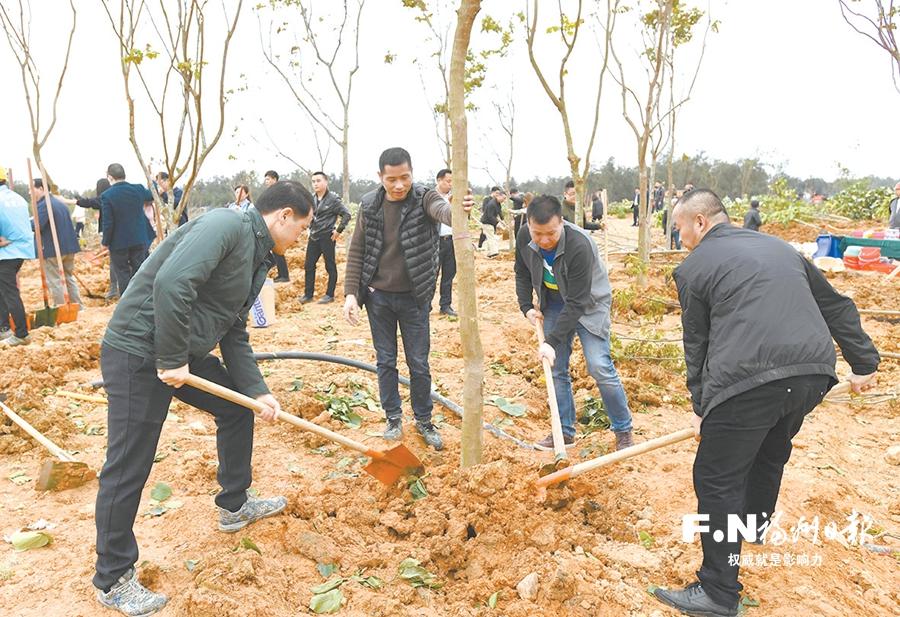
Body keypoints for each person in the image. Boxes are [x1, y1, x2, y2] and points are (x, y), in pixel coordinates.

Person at [651, 190, 879, 617]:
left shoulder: (694, 267)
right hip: (812, 373)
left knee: (716, 477)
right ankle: (753, 525)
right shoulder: (779, 247)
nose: (678, 237)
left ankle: (718, 591)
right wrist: (863, 361)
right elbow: (836, 305)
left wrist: (703, 407)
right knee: (771, 448)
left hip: (747, 381)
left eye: (679, 227)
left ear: (700, 222)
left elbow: (696, 344)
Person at [93, 180, 314, 617]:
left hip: (179, 352)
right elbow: (173, 284)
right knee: (129, 463)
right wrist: (172, 358)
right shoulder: (226, 227)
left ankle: (234, 505)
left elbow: (233, 329)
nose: (300, 237)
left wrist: (257, 391)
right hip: (139, 351)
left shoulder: (257, 255)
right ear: (283, 216)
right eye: (302, 228)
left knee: (237, 408)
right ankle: (113, 579)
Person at [342, 147, 472, 451]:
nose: (399, 185)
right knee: (385, 360)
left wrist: (459, 210)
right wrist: (351, 295)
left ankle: (424, 420)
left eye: (405, 178)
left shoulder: (424, 198)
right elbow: (357, 251)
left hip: (415, 297)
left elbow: (444, 212)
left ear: (412, 174)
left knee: (419, 362)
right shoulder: (370, 205)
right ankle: (393, 417)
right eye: (392, 179)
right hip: (378, 299)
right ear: (380, 177)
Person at [514, 195, 635, 451]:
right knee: (556, 369)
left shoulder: (580, 244)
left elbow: (578, 302)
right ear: (530, 225)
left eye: (551, 233)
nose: (544, 240)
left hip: (589, 304)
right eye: (538, 234)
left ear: (562, 223)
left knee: (599, 365)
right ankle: (565, 432)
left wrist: (551, 341)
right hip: (554, 302)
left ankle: (623, 430)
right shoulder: (524, 235)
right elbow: (521, 271)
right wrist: (526, 306)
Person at [100, 164, 155, 295]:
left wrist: (105, 242)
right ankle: (142, 299)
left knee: (123, 274)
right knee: (140, 270)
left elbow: (108, 222)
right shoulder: (138, 189)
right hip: (139, 238)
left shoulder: (107, 195)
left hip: (118, 242)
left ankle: (127, 303)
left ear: (110, 177)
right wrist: (152, 180)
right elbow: (152, 195)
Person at [300, 171, 351, 305]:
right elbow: (309, 215)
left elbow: (346, 215)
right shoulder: (311, 198)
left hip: (327, 237)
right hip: (314, 237)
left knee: (330, 266)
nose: (315, 184)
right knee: (309, 265)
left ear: (326, 182)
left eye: (318, 181)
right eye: (313, 181)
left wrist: (338, 231)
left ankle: (329, 294)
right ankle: (308, 294)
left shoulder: (333, 199)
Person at [32, 178, 82, 307]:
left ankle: (61, 307)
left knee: (55, 281)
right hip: (68, 247)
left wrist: (27, 223)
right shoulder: (59, 203)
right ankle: (78, 306)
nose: (30, 193)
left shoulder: (44, 204)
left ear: (41, 189)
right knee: (68, 278)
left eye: (32, 189)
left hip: (53, 249)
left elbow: (37, 225)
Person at [0, 167, 35, 346]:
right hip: (20, 251)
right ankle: (3, 328)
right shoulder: (18, 198)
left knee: (9, 293)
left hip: (5, 254)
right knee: (3, 291)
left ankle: (21, 334)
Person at [71, 179, 117, 298]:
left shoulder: (106, 198)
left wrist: (105, 241)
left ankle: (114, 289)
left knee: (116, 263)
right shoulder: (112, 196)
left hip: (114, 236)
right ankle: (116, 288)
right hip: (119, 235)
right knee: (118, 263)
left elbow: (92, 203)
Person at [434, 168, 457, 316]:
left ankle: (445, 305)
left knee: (448, 275)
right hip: (435, 242)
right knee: (431, 275)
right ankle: (425, 306)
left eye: (452, 182)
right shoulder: (430, 197)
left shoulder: (454, 198)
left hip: (451, 241)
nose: (450, 185)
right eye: (448, 181)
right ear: (439, 180)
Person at [265, 170, 291, 282]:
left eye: (268, 179)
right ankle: (281, 273)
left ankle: (284, 275)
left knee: (277, 248)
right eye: (265, 179)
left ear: (274, 179)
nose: (266, 181)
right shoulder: (270, 192)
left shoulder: (280, 192)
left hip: (279, 223)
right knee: (272, 248)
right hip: (272, 223)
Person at [480, 186, 505, 258]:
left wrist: (503, 221)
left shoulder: (498, 203)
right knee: (491, 237)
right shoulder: (492, 204)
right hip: (487, 222)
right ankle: (493, 252)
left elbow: (499, 212)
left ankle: (489, 251)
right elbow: (490, 216)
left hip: (491, 223)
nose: (504, 200)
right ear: (499, 196)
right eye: (503, 198)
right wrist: (498, 224)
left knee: (490, 237)